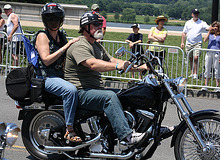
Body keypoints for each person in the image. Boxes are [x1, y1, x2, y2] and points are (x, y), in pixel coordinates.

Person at [64, 11, 149, 144]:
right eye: (96, 24)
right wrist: (117, 66)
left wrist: (141, 67)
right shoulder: (80, 45)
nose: (100, 27)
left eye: (101, 24)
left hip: (94, 89)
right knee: (109, 97)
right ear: (85, 27)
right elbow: (92, 64)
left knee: (128, 94)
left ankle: (125, 130)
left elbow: (112, 60)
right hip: (81, 91)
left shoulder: (96, 45)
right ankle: (127, 136)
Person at [33, 3, 81, 142]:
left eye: (56, 18)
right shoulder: (43, 36)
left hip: (60, 75)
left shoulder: (61, 35)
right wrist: (67, 46)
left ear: (61, 20)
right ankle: (69, 129)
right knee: (70, 90)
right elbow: (46, 60)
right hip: (46, 77)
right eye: (49, 18)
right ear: (44, 20)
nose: (53, 22)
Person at [181, 9, 211, 79]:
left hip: (197, 43)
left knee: (196, 57)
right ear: (192, 14)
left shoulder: (202, 22)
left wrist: (212, 27)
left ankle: (195, 73)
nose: (196, 15)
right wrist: (182, 42)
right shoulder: (188, 22)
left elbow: (207, 28)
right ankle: (192, 73)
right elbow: (184, 33)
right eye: (195, 13)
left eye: (197, 13)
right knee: (191, 58)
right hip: (188, 43)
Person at [201, 21, 220, 93]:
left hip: (216, 53)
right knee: (207, 68)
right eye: (214, 26)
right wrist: (209, 32)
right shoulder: (210, 35)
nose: (215, 28)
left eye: (216, 27)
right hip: (209, 52)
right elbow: (205, 40)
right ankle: (206, 85)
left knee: (217, 69)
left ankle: (217, 86)